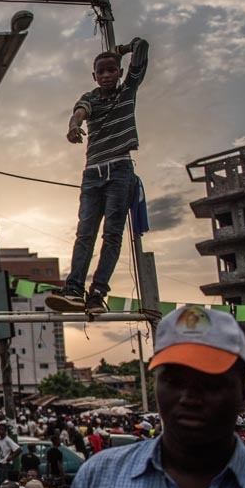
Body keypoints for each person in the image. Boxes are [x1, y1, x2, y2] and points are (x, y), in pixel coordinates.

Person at [67, 306, 245, 488]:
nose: (189, 398)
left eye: (210, 383)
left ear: (243, 395)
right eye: (174, 381)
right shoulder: (98, 479)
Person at [45, 36, 150, 314]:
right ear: (94, 76)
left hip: (120, 170)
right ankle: (74, 289)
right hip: (93, 173)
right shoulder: (90, 97)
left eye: (111, 70)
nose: (106, 76)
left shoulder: (127, 91)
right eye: (100, 72)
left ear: (120, 72)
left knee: (112, 234)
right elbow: (79, 113)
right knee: (85, 233)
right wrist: (73, 125)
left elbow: (142, 47)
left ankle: (98, 292)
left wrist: (119, 50)